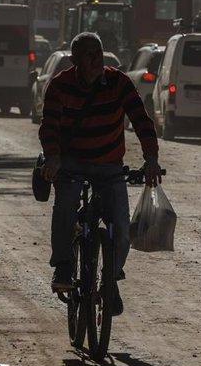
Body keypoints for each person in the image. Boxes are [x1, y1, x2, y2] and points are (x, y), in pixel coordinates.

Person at [39, 32, 162, 316]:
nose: (94, 60)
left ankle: (110, 280)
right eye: (87, 54)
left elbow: (142, 121)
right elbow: (49, 127)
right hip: (70, 164)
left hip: (109, 166)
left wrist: (151, 158)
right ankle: (64, 267)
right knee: (66, 206)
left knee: (121, 227)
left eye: (98, 53)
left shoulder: (119, 83)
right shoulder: (60, 85)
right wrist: (54, 158)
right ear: (74, 60)